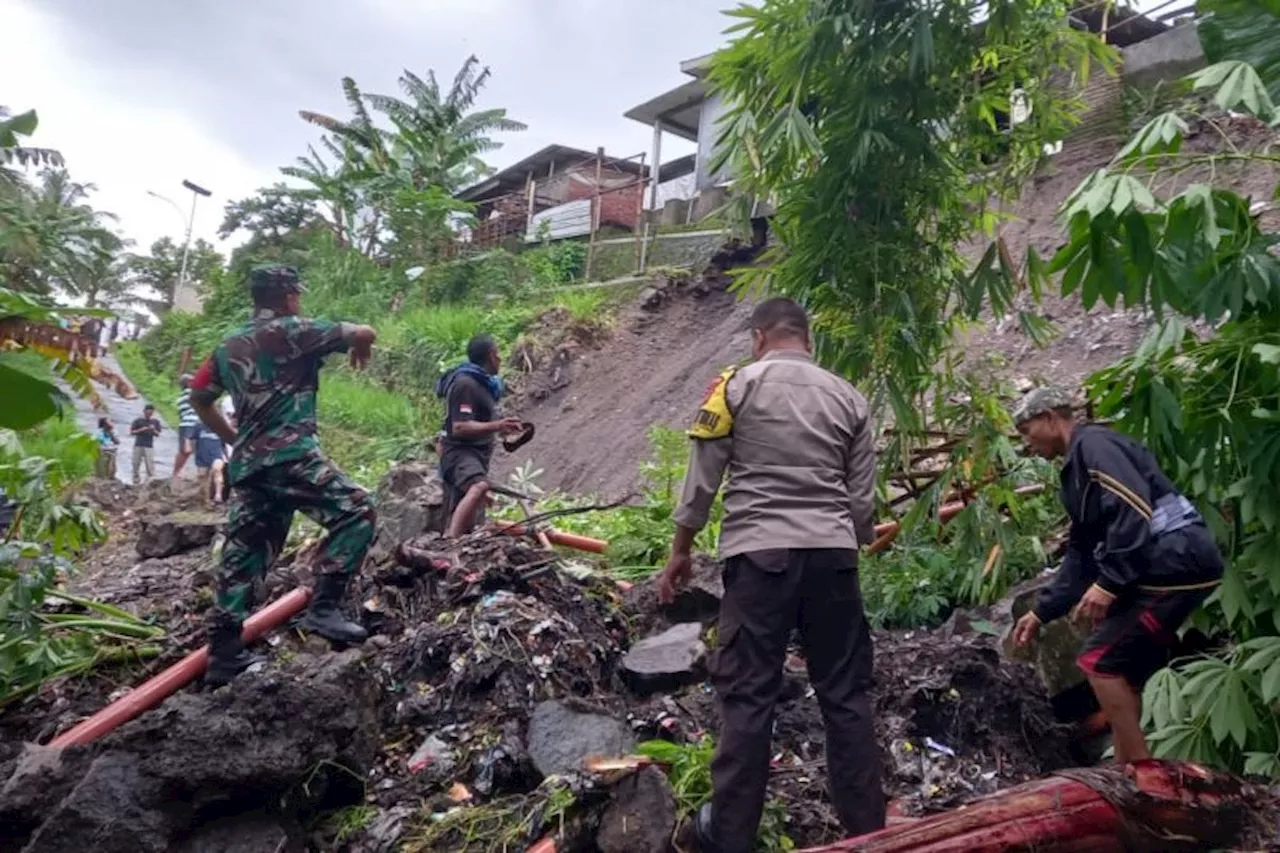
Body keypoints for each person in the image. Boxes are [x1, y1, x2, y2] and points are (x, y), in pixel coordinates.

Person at [658, 297, 885, 852]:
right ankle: (869, 835)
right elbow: (861, 504)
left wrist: (681, 551)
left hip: (760, 559)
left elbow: (702, 480)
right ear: (808, 339)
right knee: (846, 696)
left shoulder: (736, 386)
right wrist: (844, 541)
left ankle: (732, 838)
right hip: (833, 558)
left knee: (748, 698)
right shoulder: (848, 396)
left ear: (760, 337)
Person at [1010, 386, 1223, 765]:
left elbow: (1131, 508)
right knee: (1117, 664)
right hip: (1162, 564)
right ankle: (1126, 764)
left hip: (1177, 559)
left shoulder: (1096, 446)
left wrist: (1109, 585)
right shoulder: (1076, 469)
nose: (1027, 444)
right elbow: (1081, 554)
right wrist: (1042, 611)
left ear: (1049, 418)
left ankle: (1139, 772)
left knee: (1099, 660)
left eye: (1027, 431)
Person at [188, 264, 378, 687]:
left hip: (251, 466)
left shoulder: (227, 344)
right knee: (358, 511)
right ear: (290, 295)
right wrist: (361, 347)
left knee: (243, 555)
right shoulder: (295, 330)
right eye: (297, 293)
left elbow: (199, 398)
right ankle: (324, 607)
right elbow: (363, 331)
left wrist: (236, 439)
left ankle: (223, 656)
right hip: (291, 455)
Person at [436, 334, 523, 538]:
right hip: (459, 453)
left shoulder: (484, 385)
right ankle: (452, 543)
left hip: (477, 456)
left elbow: (480, 423)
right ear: (491, 355)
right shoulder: (465, 384)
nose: (501, 359)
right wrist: (497, 425)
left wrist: (501, 428)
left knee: (469, 511)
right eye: (498, 353)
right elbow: (460, 427)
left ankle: (458, 544)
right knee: (479, 485)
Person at [193, 423, 230, 505]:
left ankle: (218, 495)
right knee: (202, 476)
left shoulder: (221, 427)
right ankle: (204, 498)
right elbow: (194, 441)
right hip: (202, 455)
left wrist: (227, 456)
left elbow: (225, 444)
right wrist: (195, 454)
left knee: (217, 470)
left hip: (216, 454)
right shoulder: (198, 426)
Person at [173, 374, 200, 480]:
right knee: (187, 450)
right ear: (188, 383)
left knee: (185, 451)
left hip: (185, 423)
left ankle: (177, 471)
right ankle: (177, 472)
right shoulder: (190, 393)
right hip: (191, 423)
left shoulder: (181, 397)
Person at [129, 404, 162, 484]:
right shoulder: (138, 421)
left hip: (149, 445)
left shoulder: (155, 422)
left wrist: (153, 430)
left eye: (151, 413)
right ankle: (135, 481)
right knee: (135, 463)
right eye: (148, 413)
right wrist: (141, 429)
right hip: (138, 444)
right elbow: (132, 432)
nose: (149, 414)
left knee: (150, 464)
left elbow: (158, 434)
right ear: (144, 412)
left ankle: (150, 482)